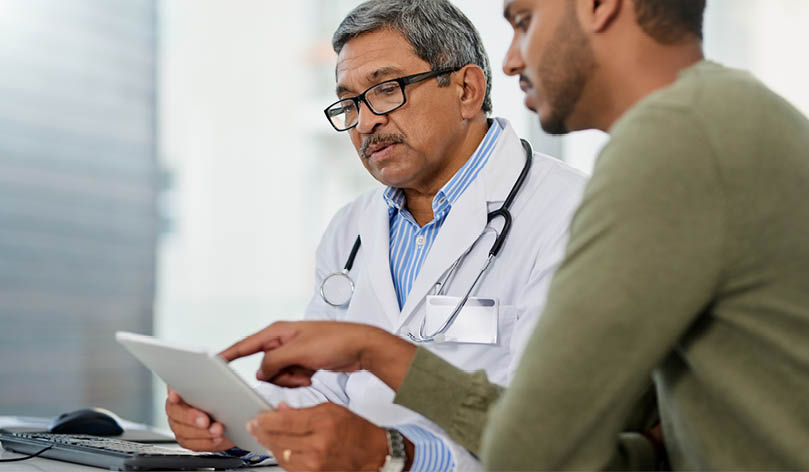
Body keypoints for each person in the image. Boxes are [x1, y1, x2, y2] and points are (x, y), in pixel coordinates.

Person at [223, 0, 809, 470]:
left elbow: (536, 447)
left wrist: (377, 362)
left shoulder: (673, 142)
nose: (509, 61)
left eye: (524, 21)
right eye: (351, 103)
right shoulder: (735, 117)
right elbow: (625, 441)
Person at [166, 0, 587, 470]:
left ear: (467, 90)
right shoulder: (350, 228)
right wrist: (233, 426)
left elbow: (552, 439)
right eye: (349, 104)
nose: (365, 122)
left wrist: (396, 455)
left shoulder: (571, 213)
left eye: (386, 90)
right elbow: (322, 390)